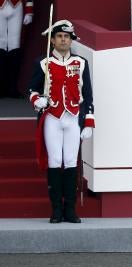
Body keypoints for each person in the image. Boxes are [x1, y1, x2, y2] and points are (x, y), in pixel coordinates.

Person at [28, 20, 94, 224]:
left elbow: (88, 94)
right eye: (59, 36)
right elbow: (32, 90)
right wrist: (37, 100)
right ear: (53, 40)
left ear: (71, 39)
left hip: (73, 117)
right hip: (52, 118)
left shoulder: (81, 62)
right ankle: (56, 209)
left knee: (71, 161)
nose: (63, 39)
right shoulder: (43, 62)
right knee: (55, 161)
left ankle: (70, 209)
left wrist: (89, 122)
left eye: (67, 36)